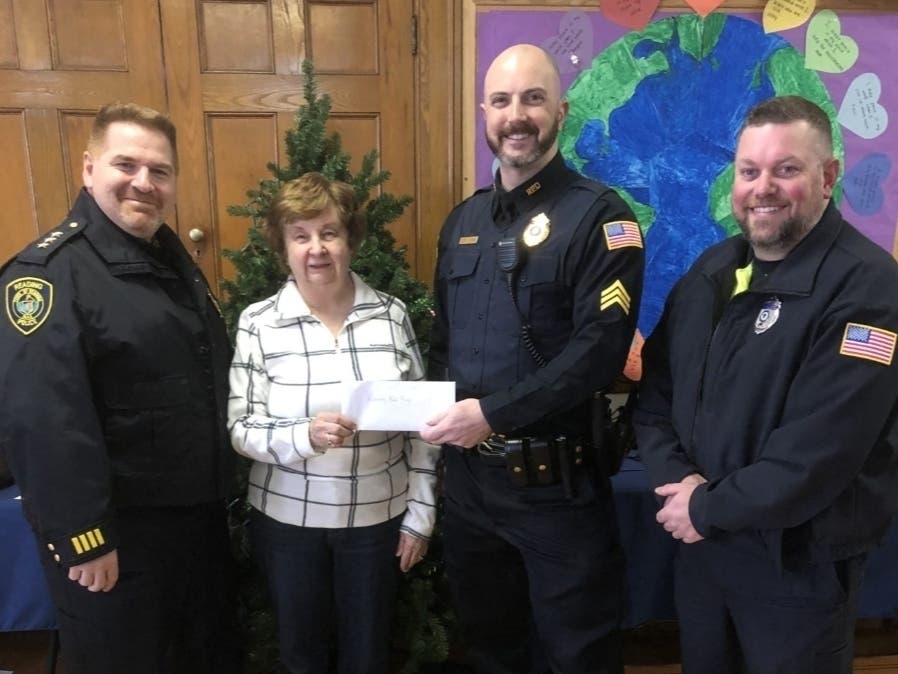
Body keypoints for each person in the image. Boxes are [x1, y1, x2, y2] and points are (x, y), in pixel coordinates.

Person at [634, 95, 898, 673]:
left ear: (828, 176)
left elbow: (820, 454)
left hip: (795, 566)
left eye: (786, 169)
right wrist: (680, 484)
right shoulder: (710, 273)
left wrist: (705, 505)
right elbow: (654, 399)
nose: (763, 188)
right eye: (749, 171)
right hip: (703, 549)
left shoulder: (869, 290)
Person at [421, 44, 645, 673]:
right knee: (491, 650)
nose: (516, 115)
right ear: (485, 114)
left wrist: (492, 415)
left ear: (561, 111)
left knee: (579, 656)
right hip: (470, 489)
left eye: (533, 98)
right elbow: (443, 346)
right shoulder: (462, 222)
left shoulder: (602, 219)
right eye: (501, 101)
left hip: (555, 490)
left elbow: (598, 353)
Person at [0, 102, 236, 673]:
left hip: (192, 526)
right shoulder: (47, 277)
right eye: (126, 165)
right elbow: (44, 422)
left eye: (160, 171)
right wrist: (84, 536)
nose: (144, 183)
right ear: (89, 168)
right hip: (114, 541)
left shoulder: (168, 261)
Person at [228, 172, 439, 674]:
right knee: (301, 655)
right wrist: (303, 435)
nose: (316, 249)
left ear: (350, 240)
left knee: (368, 655)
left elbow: (424, 427)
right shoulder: (258, 322)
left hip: (377, 521)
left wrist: (421, 514)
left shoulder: (391, 315)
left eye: (329, 233)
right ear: (283, 247)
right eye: (300, 236)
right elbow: (240, 427)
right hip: (287, 524)